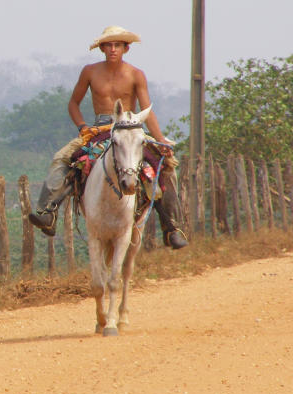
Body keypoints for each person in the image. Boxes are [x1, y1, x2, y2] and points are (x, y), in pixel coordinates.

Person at [28, 25, 188, 249]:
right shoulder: (90, 72)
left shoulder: (135, 74)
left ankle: (172, 227)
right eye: (109, 45)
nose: (113, 49)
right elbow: (73, 103)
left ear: (126, 48)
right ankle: (47, 212)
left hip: (129, 128)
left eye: (118, 45)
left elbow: (146, 109)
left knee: (166, 167)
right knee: (63, 158)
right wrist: (82, 126)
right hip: (98, 129)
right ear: (102, 48)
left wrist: (160, 140)